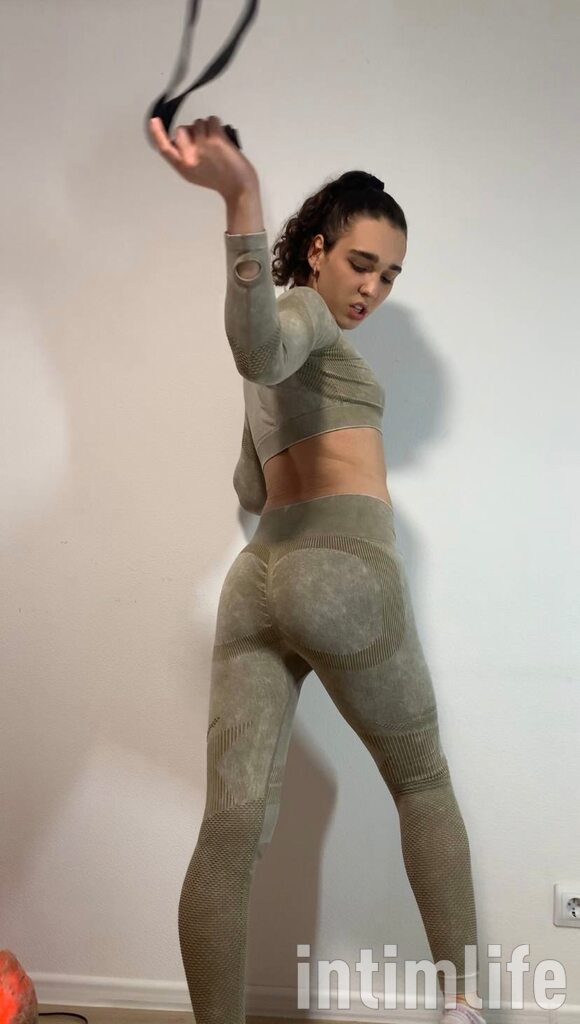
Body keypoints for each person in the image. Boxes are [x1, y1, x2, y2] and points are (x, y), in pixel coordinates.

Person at [148, 115, 486, 1024]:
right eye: (362, 264)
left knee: (230, 831)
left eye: (391, 275)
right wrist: (240, 195)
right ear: (317, 249)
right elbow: (263, 342)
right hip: (342, 568)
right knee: (422, 783)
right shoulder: (302, 315)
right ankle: (463, 1008)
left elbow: (249, 484)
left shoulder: (282, 357)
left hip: (256, 582)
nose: (372, 288)